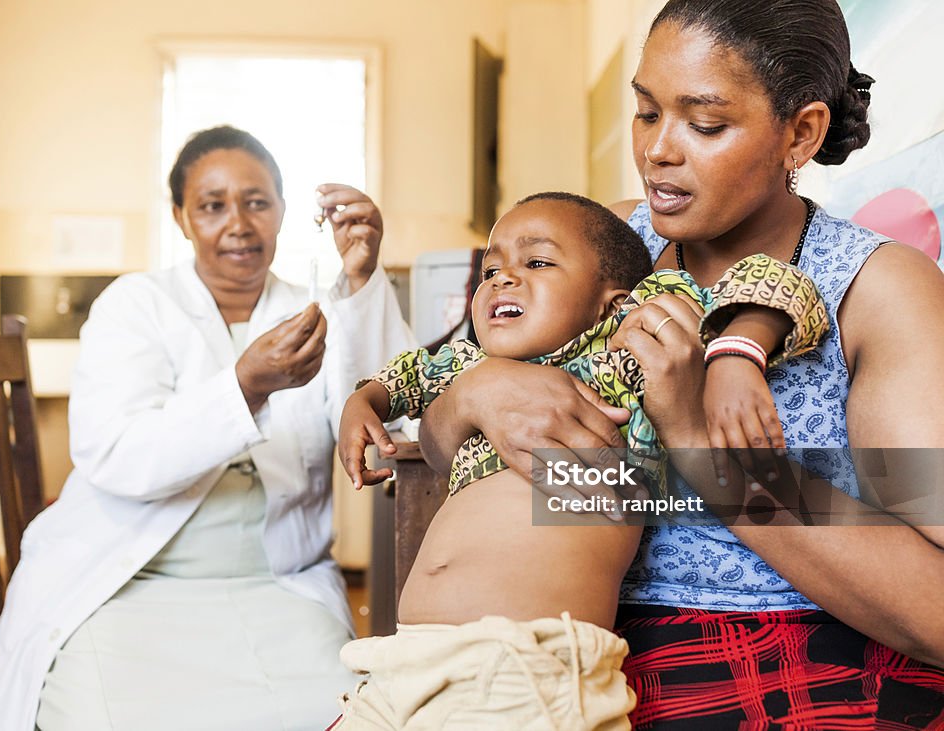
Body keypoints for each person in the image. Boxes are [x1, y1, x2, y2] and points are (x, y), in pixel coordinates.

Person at [418, 1, 944, 728]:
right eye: (645, 112)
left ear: (802, 132)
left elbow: (937, 608)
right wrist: (473, 394)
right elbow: (453, 455)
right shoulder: (598, 245)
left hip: (792, 663)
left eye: (704, 124)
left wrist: (703, 448)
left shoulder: (874, 291)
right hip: (551, 648)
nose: (659, 150)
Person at [0, 125, 413, 730]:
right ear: (179, 216)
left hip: (277, 589)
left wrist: (360, 282)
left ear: (282, 212)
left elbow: (399, 425)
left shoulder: (319, 308)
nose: (238, 223)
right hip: (126, 585)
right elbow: (118, 456)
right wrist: (243, 387)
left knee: (345, 716)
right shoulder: (134, 306)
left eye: (257, 202)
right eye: (211, 205)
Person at [331, 192, 830, 730]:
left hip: (521, 661)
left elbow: (778, 281)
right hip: (401, 660)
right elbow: (407, 376)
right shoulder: (470, 366)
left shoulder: (625, 357)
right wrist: (364, 402)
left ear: (611, 303)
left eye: (537, 262)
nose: (502, 278)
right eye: (491, 269)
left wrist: (737, 353)